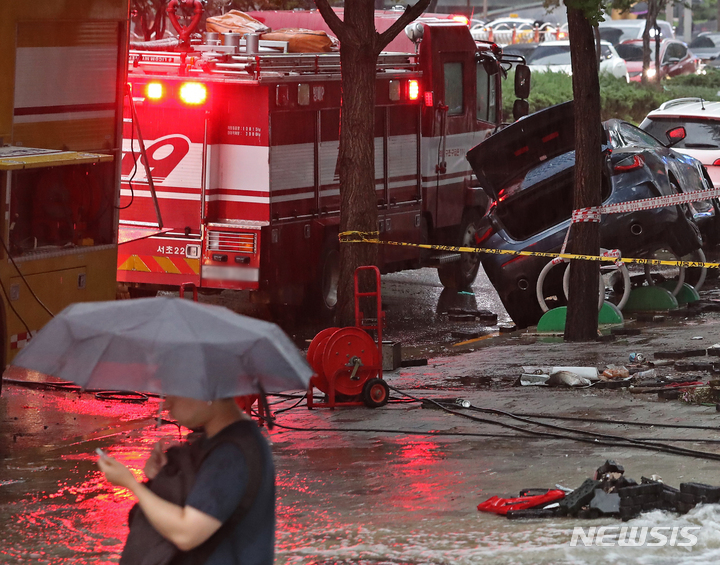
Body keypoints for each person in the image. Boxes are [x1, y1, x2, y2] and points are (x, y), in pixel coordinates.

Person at [97, 395, 275, 565]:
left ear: (206, 395)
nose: (166, 404)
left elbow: (187, 533)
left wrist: (131, 484)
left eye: (174, 394)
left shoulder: (231, 454)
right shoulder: (227, 440)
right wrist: (164, 476)